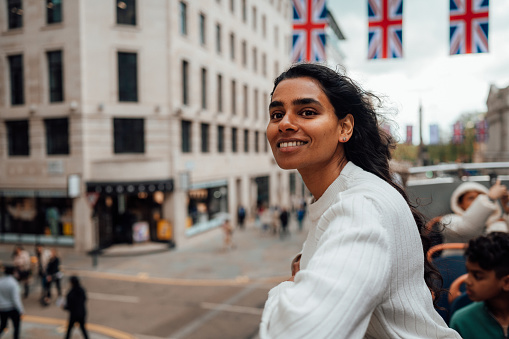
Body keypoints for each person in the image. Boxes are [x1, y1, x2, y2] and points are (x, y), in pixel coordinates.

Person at [259, 63, 460, 338]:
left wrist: (290, 287)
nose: (285, 124)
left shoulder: (361, 206)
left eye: (307, 112)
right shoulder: (340, 194)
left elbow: (301, 330)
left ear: (345, 127)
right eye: (276, 114)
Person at [449, 232, 509, 338]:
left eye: (477, 276)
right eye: (468, 272)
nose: (467, 281)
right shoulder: (462, 321)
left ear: (506, 283)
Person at [440, 180, 508, 255]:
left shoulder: (494, 224)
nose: (476, 201)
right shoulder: (448, 220)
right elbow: (467, 229)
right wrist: (489, 199)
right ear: (460, 203)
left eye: (480, 197)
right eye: (471, 198)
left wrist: (507, 212)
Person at [0, 265, 24, 339]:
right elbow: (16, 299)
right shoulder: (13, 283)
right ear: (13, 272)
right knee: (16, 326)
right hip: (12, 308)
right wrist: (21, 310)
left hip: (2, 308)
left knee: (3, 325)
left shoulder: (1, 281)